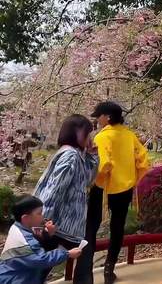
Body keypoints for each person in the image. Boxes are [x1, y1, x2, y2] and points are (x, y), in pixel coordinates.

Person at [79, 101, 150, 284]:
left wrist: (91, 181)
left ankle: (86, 272)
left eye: (99, 116)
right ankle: (109, 269)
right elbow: (142, 160)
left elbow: (102, 165)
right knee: (117, 227)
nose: (97, 119)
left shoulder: (102, 137)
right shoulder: (129, 136)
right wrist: (134, 179)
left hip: (102, 189)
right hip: (124, 188)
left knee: (91, 229)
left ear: (107, 117)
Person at [33, 115, 98, 283]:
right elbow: (54, 190)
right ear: (75, 132)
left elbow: (88, 180)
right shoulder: (70, 155)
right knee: (41, 268)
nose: (89, 138)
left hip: (67, 226)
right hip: (59, 225)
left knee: (42, 268)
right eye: (87, 133)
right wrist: (43, 222)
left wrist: (92, 156)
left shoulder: (76, 154)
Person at [0, 195, 82, 284]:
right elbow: (41, 259)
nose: (42, 216)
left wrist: (48, 233)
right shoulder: (24, 240)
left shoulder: (17, 227)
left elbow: (35, 242)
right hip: (15, 279)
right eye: (39, 213)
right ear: (25, 218)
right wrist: (67, 254)